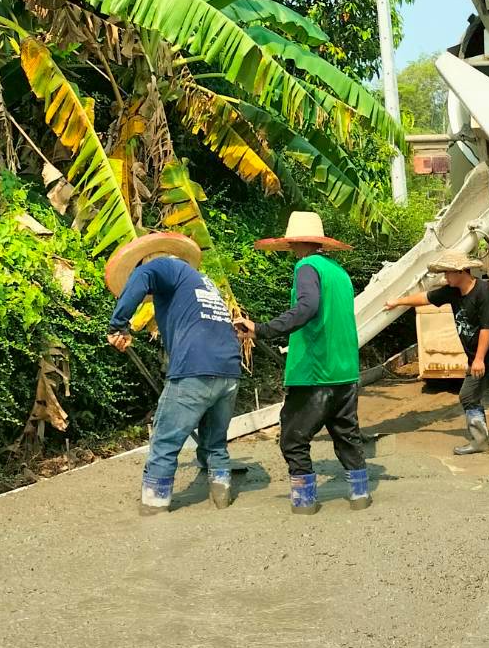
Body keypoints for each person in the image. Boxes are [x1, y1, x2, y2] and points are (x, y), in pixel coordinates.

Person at [236, 211, 370, 515]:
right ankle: (360, 495)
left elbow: (307, 307)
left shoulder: (306, 266)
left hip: (315, 371)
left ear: (295, 242)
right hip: (345, 369)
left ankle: (304, 501)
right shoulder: (339, 272)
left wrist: (262, 329)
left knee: (293, 438)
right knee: (347, 435)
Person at [107, 233, 242, 514]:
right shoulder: (202, 281)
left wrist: (118, 325)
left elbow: (143, 277)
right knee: (215, 443)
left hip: (195, 368)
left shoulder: (159, 266)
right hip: (229, 370)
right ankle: (221, 496)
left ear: (147, 259)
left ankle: (154, 507)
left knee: (165, 442)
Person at [384, 251, 489, 461]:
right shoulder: (452, 292)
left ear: (461, 272)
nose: (445, 277)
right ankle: (479, 441)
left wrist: (479, 359)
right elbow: (425, 298)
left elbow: (487, 329)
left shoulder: (484, 292)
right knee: (468, 396)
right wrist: (398, 302)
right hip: (477, 358)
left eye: (448, 272)